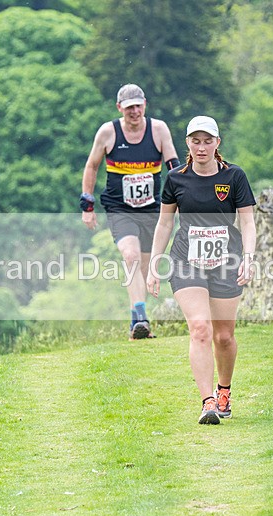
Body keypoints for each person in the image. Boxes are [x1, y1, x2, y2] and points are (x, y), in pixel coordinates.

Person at [146, 116, 257, 424]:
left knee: (223, 336)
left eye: (208, 141)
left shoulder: (234, 176)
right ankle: (208, 401)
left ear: (217, 143)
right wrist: (155, 262)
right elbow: (165, 222)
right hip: (186, 260)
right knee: (200, 328)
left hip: (227, 260)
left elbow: (247, 221)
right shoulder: (176, 178)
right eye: (196, 141)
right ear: (188, 144)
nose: (202, 147)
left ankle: (224, 391)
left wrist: (248, 257)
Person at [80, 83, 180, 340]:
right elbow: (92, 166)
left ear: (145, 104)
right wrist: (88, 206)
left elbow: (173, 164)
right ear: (119, 108)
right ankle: (141, 316)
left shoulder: (158, 130)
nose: (134, 112)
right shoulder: (108, 132)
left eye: (138, 106)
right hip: (119, 207)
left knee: (144, 268)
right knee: (131, 256)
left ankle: (137, 323)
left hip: (151, 209)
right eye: (128, 108)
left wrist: (183, 195)